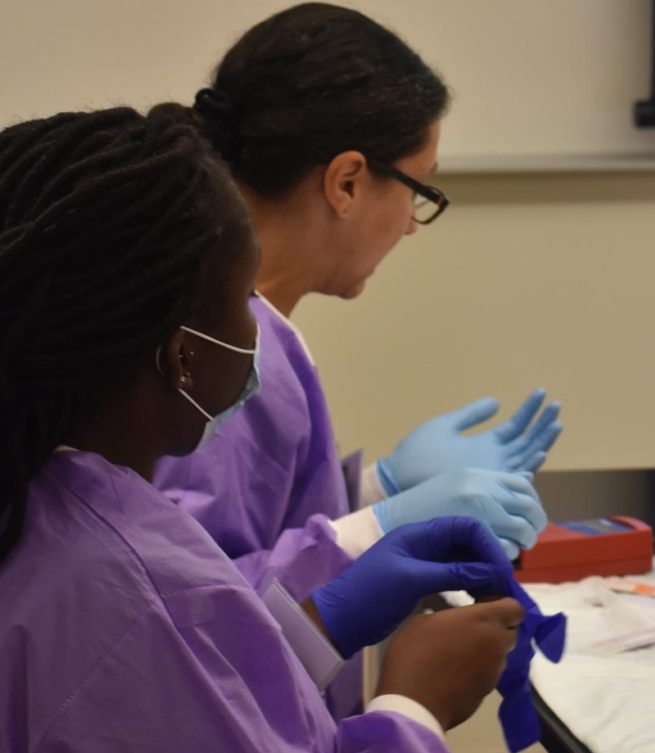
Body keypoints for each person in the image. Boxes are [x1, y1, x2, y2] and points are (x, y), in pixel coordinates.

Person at [0, 105, 525, 752]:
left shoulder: (39, 507)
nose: (261, 327)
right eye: (246, 294)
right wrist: (414, 705)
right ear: (179, 354)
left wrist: (313, 628)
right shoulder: (126, 587)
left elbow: (202, 700)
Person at [152, 2, 563, 569]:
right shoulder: (232, 363)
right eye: (419, 189)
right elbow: (196, 611)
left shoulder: (212, 317)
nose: (413, 223)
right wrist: (379, 528)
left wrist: (377, 491)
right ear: (346, 182)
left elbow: (247, 534)